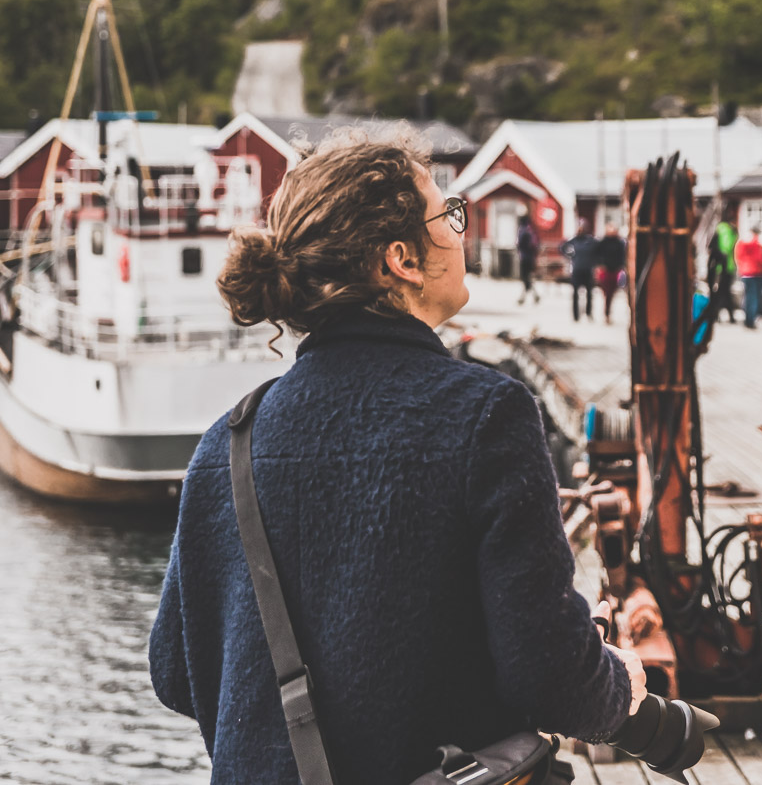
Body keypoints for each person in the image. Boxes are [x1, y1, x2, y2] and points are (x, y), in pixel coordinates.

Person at [149, 131, 645, 785]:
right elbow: (549, 675)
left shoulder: (227, 441)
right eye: (449, 215)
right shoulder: (484, 415)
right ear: (402, 259)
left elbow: (176, 672)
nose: (459, 232)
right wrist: (619, 686)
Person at [560, 217, 601, 321]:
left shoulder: (591, 241)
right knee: (575, 294)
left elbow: (599, 251)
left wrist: (595, 261)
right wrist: (569, 255)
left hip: (588, 270)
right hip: (577, 270)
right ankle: (576, 315)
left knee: (589, 293)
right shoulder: (574, 240)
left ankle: (588, 313)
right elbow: (562, 247)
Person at [707, 210, 738, 324]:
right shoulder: (726, 229)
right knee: (723, 292)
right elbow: (726, 248)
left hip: (720, 265)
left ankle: (716, 315)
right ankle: (720, 315)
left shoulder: (721, 228)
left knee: (720, 291)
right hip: (725, 266)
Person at [734, 224, 762, 330]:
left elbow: (737, 256)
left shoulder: (741, 242)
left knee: (747, 297)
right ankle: (751, 320)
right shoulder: (756, 243)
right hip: (755, 272)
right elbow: (759, 258)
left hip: (744, 272)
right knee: (754, 298)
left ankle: (747, 319)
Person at [594, 221, 626, 324]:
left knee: (612, 292)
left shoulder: (619, 243)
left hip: (616, 270)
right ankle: (606, 313)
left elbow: (622, 256)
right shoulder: (603, 242)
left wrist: (622, 266)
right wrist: (600, 266)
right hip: (606, 270)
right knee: (607, 292)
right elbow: (597, 255)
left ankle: (608, 313)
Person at [516, 208, 540, 305]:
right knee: (528, 277)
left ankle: (529, 296)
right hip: (531, 257)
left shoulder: (522, 230)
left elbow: (519, 243)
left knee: (525, 278)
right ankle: (532, 295)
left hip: (524, 257)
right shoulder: (531, 230)